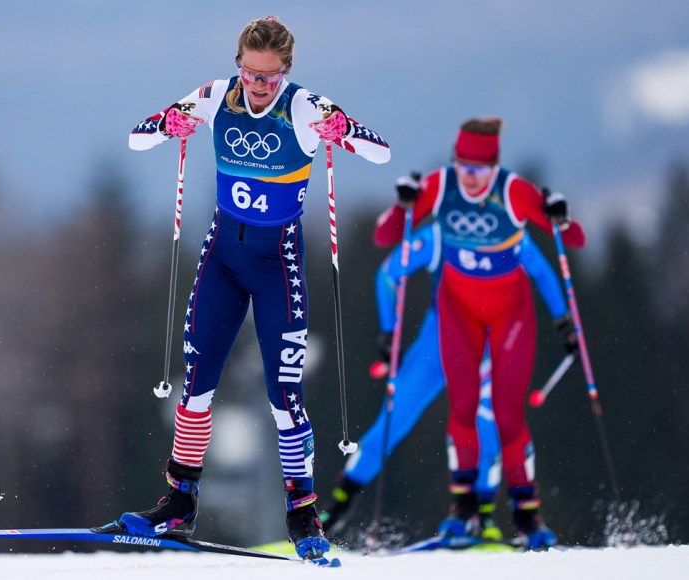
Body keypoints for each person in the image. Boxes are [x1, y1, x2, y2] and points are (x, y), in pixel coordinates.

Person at [93, 16, 390, 561]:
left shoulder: (303, 106)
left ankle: (302, 514)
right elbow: (138, 137)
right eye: (250, 73)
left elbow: (381, 152)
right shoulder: (214, 96)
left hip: (277, 264)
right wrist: (172, 124)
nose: (257, 85)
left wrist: (340, 130)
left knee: (284, 395)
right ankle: (179, 501)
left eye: (269, 77)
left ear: (287, 72)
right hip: (224, 257)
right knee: (197, 383)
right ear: (238, 65)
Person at [373, 118, 585, 549]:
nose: (471, 178)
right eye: (465, 167)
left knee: (507, 415)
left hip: (511, 316)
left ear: (496, 167)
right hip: (457, 312)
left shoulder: (514, 192)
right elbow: (386, 235)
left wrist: (561, 216)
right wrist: (403, 205)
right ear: (455, 163)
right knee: (463, 408)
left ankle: (527, 515)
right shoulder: (441, 184)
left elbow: (573, 240)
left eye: (481, 170)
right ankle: (463, 510)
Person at [319, 224, 574, 541]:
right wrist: (387, 331)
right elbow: (387, 274)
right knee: (393, 422)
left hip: (486, 342)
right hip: (437, 344)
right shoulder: (440, 233)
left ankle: (481, 517)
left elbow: (542, 272)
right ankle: (334, 513)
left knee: (487, 423)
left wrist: (565, 324)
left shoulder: (509, 231)